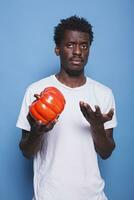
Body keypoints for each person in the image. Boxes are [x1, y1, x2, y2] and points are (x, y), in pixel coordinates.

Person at [16, 15, 117, 200]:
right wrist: (37, 132)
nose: (77, 51)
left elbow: (106, 152)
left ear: (89, 50)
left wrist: (96, 127)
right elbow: (26, 151)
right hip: (49, 196)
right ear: (57, 49)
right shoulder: (36, 91)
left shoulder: (104, 94)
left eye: (84, 45)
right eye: (70, 45)